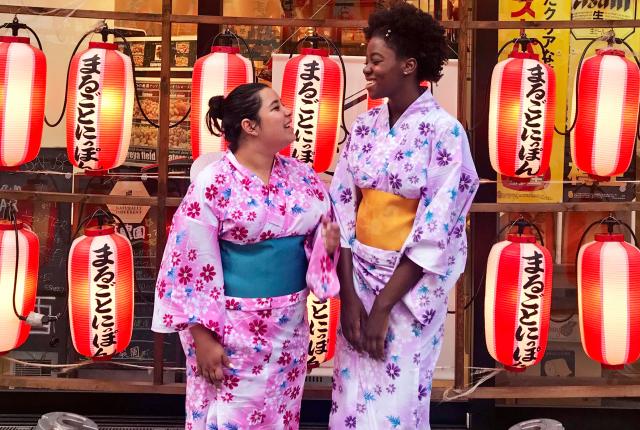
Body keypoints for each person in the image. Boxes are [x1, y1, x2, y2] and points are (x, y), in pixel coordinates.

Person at [152, 82, 340, 430]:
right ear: (249, 126)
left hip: (287, 332)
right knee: (225, 419)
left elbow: (319, 245)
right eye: (275, 107)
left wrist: (324, 249)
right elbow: (188, 265)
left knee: (281, 419)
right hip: (230, 334)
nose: (288, 113)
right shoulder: (213, 182)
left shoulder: (303, 177)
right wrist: (202, 338)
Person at [328, 3, 479, 429]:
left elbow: (438, 228)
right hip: (357, 278)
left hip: (405, 289)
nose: (367, 70)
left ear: (409, 65)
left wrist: (384, 307)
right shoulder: (364, 126)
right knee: (350, 401)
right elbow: (341, 204)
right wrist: (351, 295)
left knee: (397, 404)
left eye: (376, 61)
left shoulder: (444, 131)